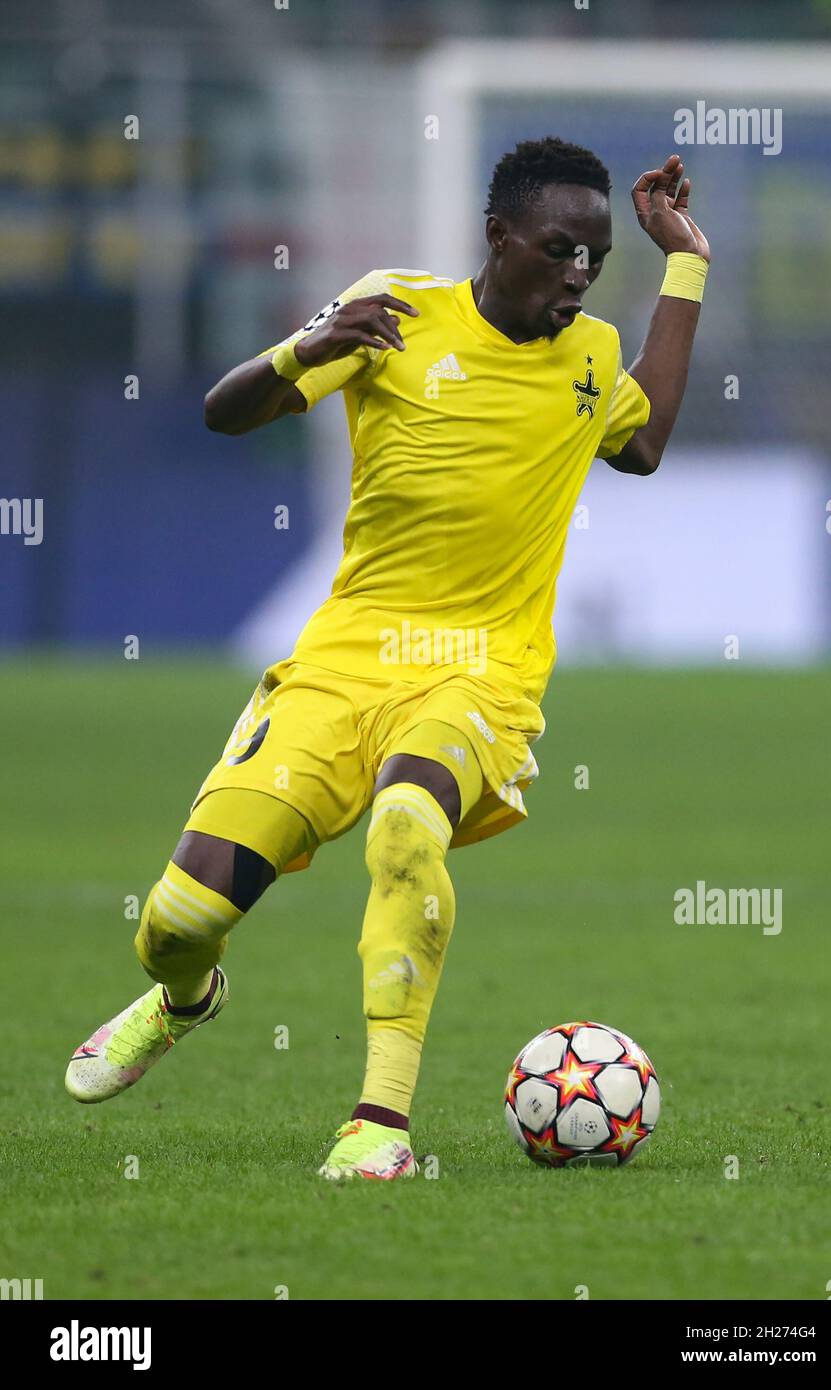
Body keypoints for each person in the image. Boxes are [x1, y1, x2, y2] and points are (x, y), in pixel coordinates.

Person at [65, 137, 710, 1180]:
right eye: (559, 250)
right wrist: (303, 350)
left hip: (480, 675)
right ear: (498, 239)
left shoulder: (589, 355)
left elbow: (642, 444)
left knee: (409, 824)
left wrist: (686, 263)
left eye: (596, 257)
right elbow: (223, 413)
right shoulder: (392, 314)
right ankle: (186, 997)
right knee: (177, 922)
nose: (580, 274)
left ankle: (379, 1125)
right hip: (341, 664)